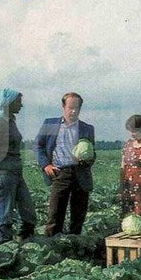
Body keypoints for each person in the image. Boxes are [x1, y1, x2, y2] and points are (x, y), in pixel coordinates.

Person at [35, 92, 95, 236]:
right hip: (59, 173)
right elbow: (38, 146)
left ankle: (74, 247)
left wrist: (87, 160)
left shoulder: (87, 128)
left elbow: (93, 152)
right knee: (55, 215)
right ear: (63, 106)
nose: (73, 111)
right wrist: (46, 165)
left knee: (78, 215)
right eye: (70, 107)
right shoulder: (50, 124)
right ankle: (52, 247)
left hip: (80, 173)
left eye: (77, 108)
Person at [0, 88, 37, 244]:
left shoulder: (11, 120)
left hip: (16, 172)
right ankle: (3, 247)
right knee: (5, 214)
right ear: (9, 103)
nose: (21, 105)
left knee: (28, 212)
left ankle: (25, 241)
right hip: (3, 173)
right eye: (19, 101)